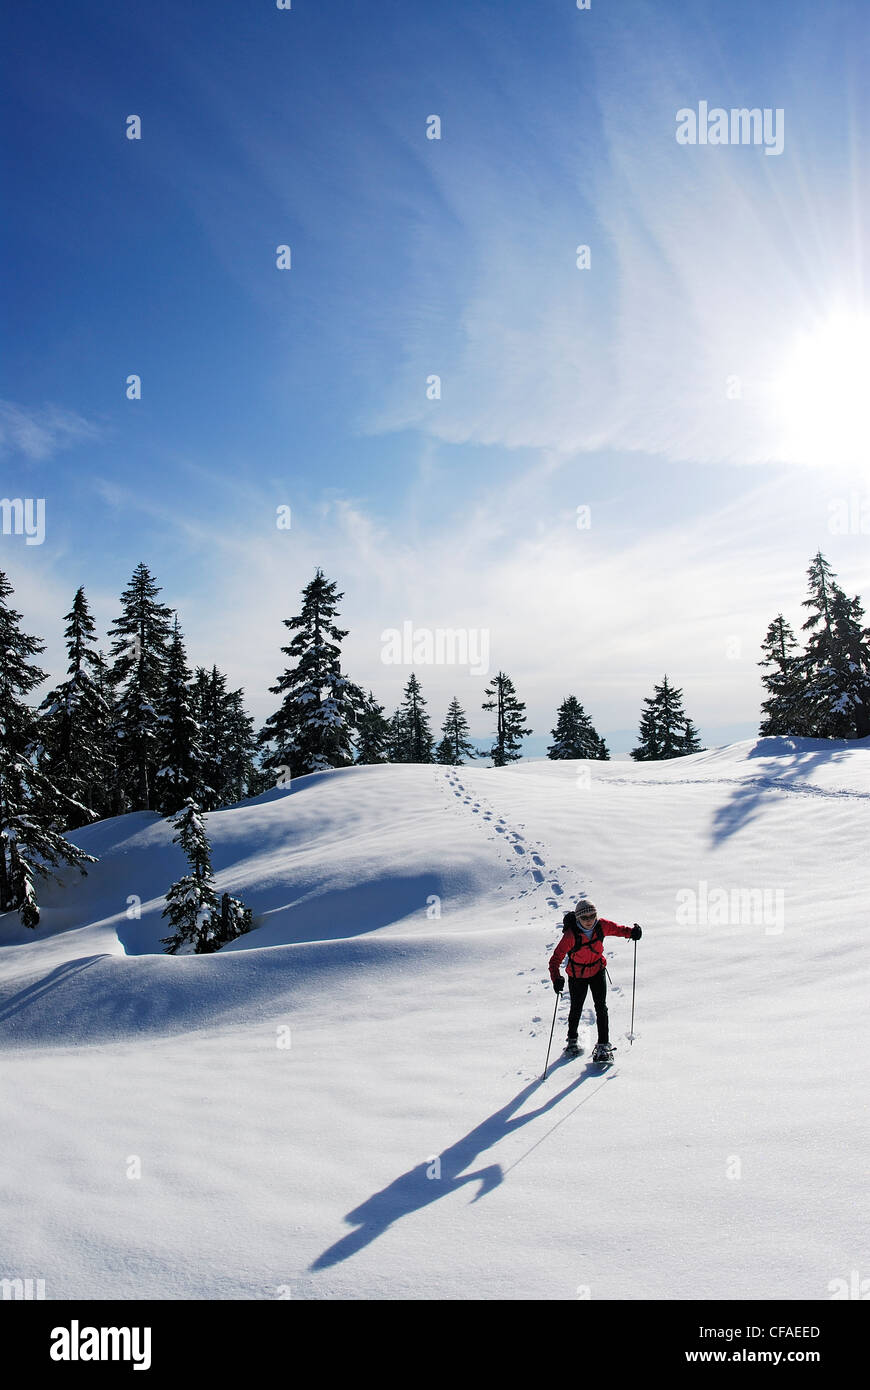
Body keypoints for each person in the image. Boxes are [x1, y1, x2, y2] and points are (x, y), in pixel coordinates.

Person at [549, 900, 642, 1062]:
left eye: (592, 915)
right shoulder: (571, 935)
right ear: (578, 918)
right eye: (585, 917)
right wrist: (556, 978)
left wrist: (632, 932)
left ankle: (603, 1045)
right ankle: (572, 1041)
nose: (589, 920)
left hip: (597, 971)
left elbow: (618, 930)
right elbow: (555, 959)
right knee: (576, 1007)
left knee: (601, 1007)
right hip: (577, 976)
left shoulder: (602, 926)